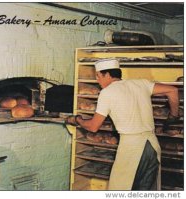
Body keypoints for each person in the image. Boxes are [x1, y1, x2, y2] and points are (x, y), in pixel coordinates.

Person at [66, 58, 180, 190]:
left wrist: (77, 120)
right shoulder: (140, 83)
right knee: (145, 190)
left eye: (98, 76)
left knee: (120, 189)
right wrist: (173, 115)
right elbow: (173, 90)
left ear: (107, 75)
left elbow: (93, 126)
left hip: (131, 147)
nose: (97, 80)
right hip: (153, 144)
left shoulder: (107, 93)